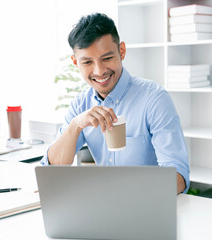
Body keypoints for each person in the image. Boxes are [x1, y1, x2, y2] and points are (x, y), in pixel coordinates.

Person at [41, 12, 190, 194]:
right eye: (87, 62)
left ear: (122, 51)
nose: (99, 71)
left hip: (147, 205)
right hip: (105, 206)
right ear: (75, 62)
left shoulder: (154, 99)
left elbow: (179, 178)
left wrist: (123, 190)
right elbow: (53, 169)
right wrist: (75, 125)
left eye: (107, 58)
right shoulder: (81, 104)